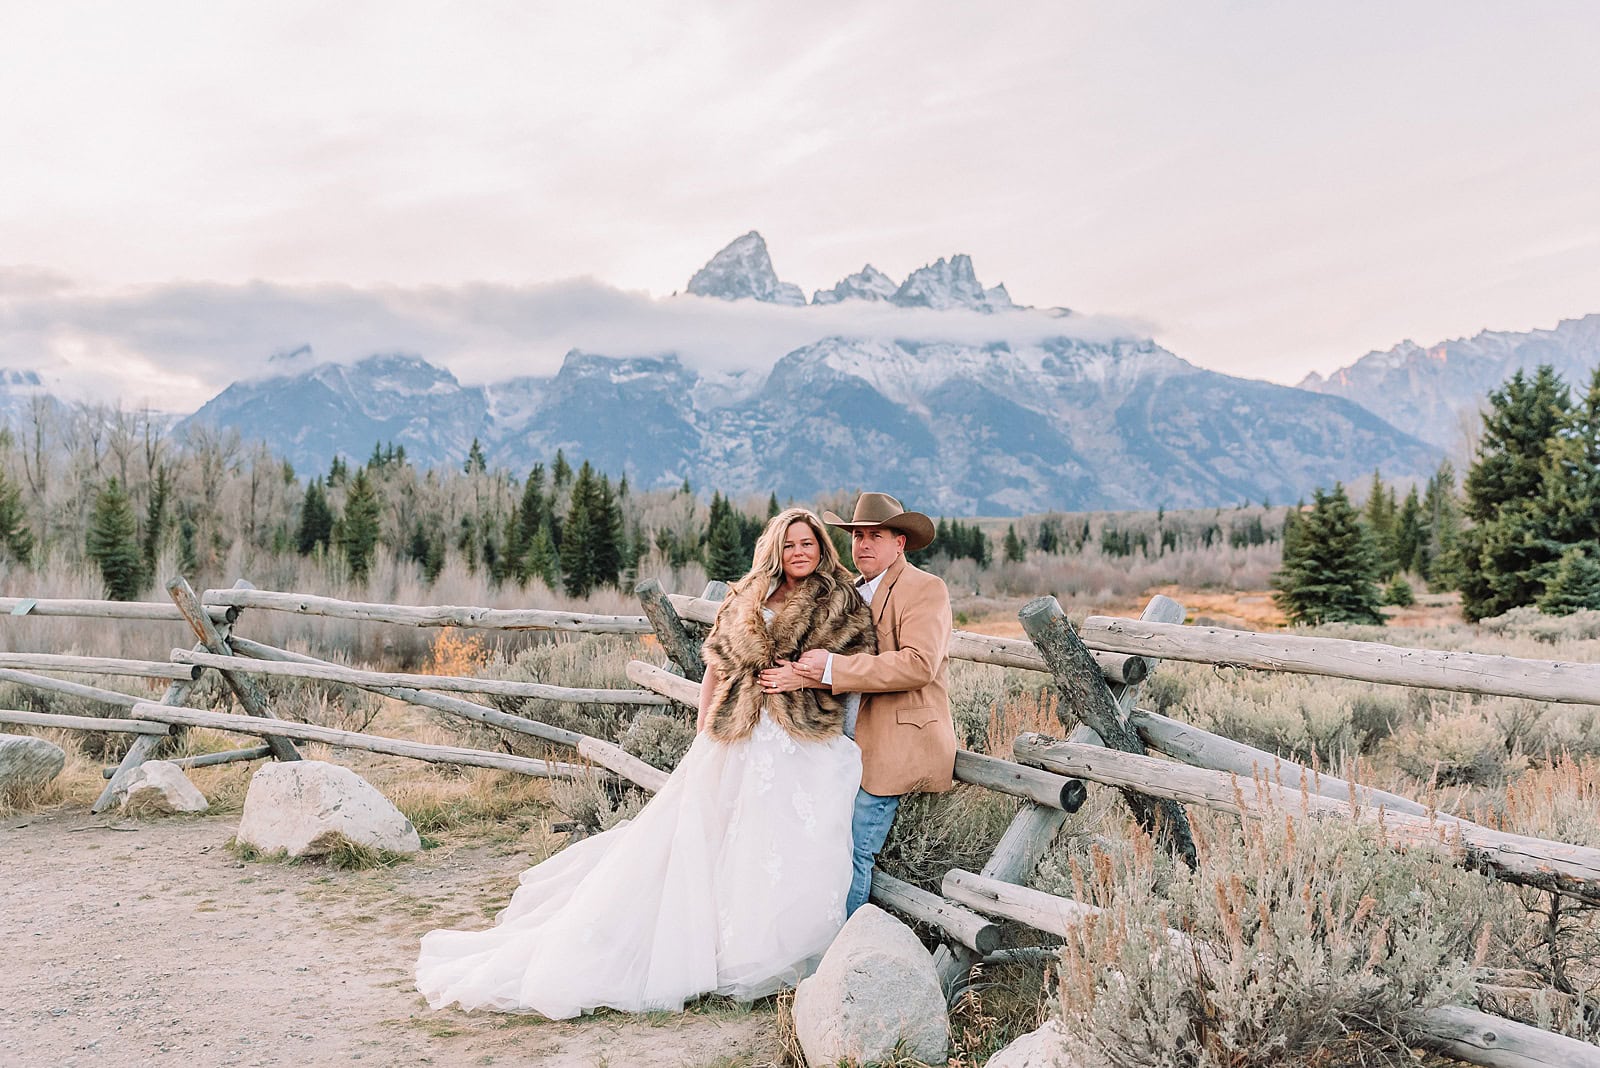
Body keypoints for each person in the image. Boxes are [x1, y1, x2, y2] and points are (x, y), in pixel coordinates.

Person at [415, 507, 876, 1019]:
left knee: (789, 841)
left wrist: (805, 679)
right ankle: (717, 949)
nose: (799, 553)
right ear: (774, 548)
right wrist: (705, 732)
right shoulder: (747, 596)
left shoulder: (839, 599)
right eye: (789, 544)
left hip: (799, 737)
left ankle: (780, 950)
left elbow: (854, 667)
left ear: (821, 549)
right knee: (717, 837)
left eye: (808, 544)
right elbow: (715, 668)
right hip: (737, 733)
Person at [759, 492, 955, 916]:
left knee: (854, 854)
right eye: (857, 536)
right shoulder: (847, 591)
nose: (864, 545)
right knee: (818, 844)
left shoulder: (925, 589)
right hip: (841, 742)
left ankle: (842, 955)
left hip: (895, 743)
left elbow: (919, 665)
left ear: (899, 542)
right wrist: (801, 673)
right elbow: (817, 655)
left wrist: (832, 669)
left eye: (876, 536)